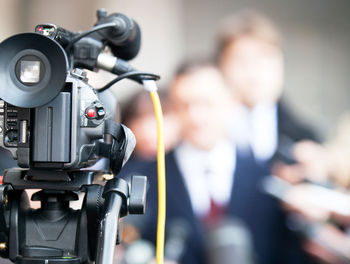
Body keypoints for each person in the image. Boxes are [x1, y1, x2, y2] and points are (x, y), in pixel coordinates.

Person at [136, 61, 310, 264]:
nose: (196, 116)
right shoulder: (144, 178)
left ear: (232, 101)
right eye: (184, 105)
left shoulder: (268, 178)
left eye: (207, 103)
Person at [217, 11, 320, 165]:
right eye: (241, 59)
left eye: (265, 58)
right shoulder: (196, 130)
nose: (253, 70)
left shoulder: (305, 138)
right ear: (221, 66)